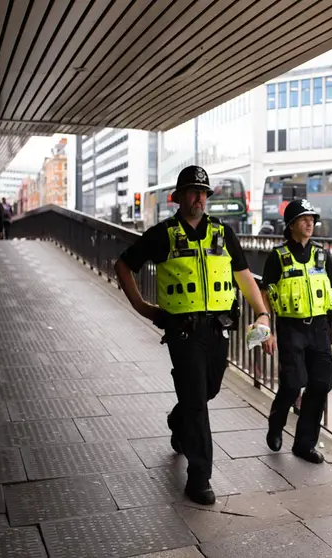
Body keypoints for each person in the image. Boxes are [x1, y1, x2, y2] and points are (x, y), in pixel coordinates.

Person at [114, 165, 274, 505]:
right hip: (182, 331)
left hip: (219, 328)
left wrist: (261, 312)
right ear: (179, 196)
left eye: (203, 192)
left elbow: (244, 276)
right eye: (192, 191)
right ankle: (199, 477)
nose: (199, 198)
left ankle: (177, 418)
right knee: (198, 403)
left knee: (208, 389)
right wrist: (142, 307)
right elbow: (123, 265)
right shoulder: (163, 234)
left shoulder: (223, 233)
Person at [260, 199, 332, 464]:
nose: (310, 222)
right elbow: (265, 294)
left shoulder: (322, 255)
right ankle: (276, 423)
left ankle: (304, 444)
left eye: (312, 218)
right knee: (291, 384)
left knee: (321, 384)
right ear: (290, 226)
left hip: (320, 329)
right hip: (290, 328)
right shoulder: (277, 256)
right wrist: (267, 329)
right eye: (303, 219)